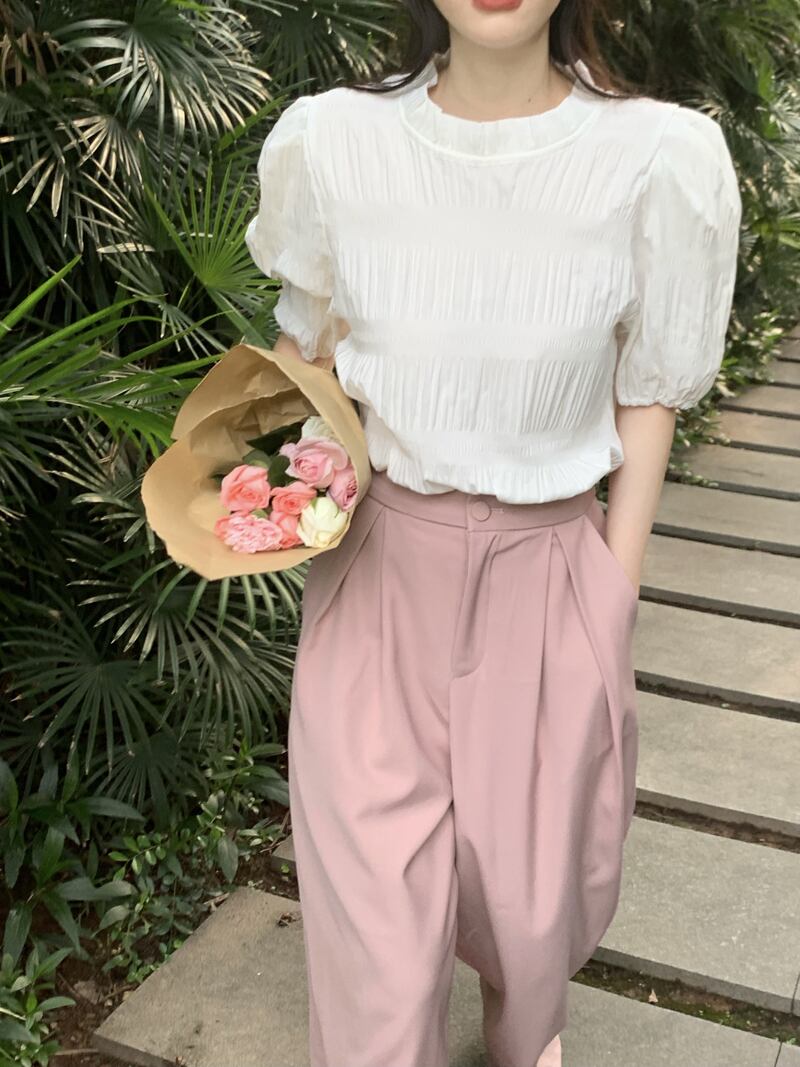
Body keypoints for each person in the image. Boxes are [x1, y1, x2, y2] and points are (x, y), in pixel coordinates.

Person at [245, 1, 742, 1063]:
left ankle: (526, 1025)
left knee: (530, 908)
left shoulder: (655, 156)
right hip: (376, 574)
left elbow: (648, 389)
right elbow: (308, 354)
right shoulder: (337, 139)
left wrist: (612, 589)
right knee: (374, 941)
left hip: (548, 572)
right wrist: (271, 491)